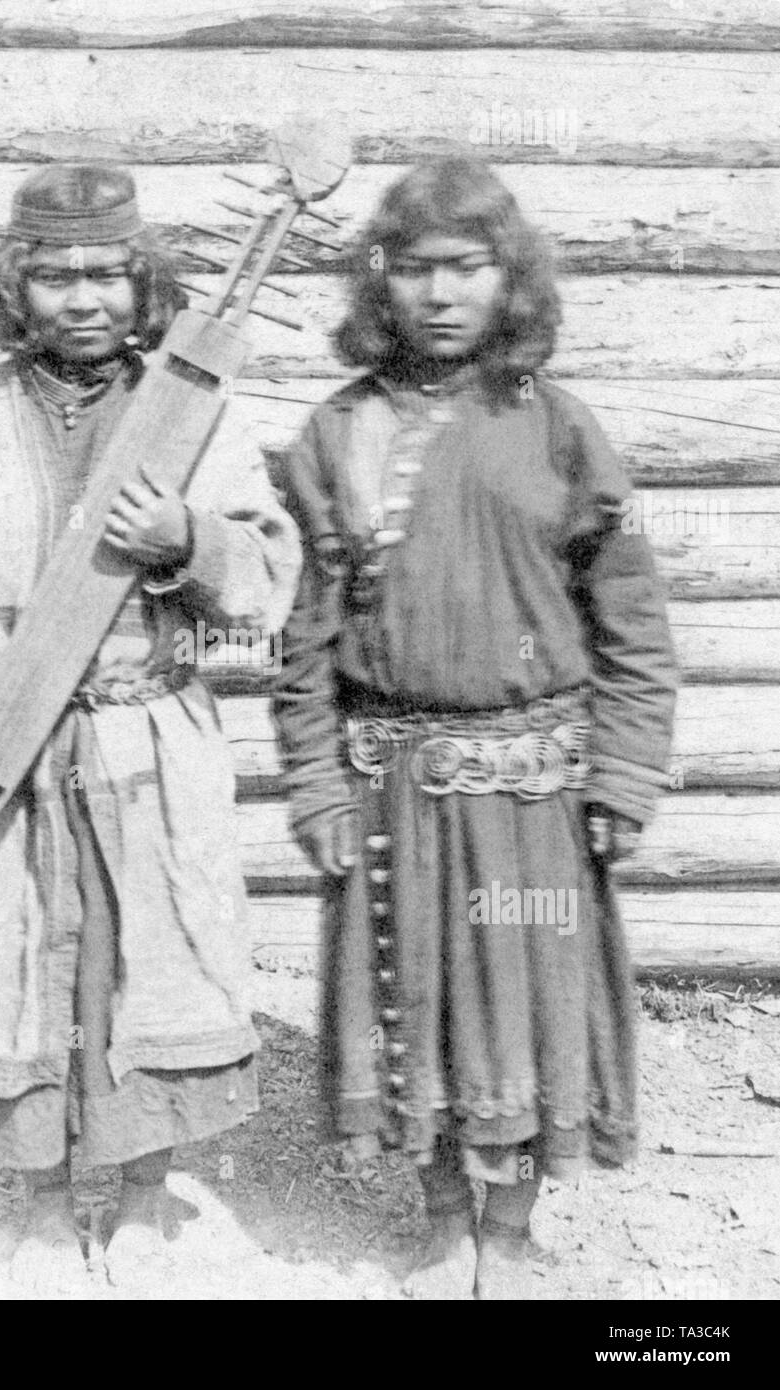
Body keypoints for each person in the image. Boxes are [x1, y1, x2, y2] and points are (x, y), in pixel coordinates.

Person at [0, 164, 300, 1290]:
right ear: (17, 287)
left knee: (144, 967)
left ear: (142, 280)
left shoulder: (196, 407)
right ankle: (47, 1206)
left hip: (147, 746)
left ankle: (145, 1199)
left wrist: (187, 538)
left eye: (106, 271)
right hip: (8, 746)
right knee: (17, 972)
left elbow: (266, 576)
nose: (84, 298)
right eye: (54, 275)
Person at [271, 150, 677, 1299]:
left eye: (467, 268)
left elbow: (632, 621)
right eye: (413, 270)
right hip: (388, 786)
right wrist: (310, 782)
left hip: (536, 795)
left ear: (511, 280)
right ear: (378, 282)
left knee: (523, 1003)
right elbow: (304, 639)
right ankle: (441, 1222)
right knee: (417, 1002)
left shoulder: (554, 428)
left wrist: (626, 775)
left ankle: (509, 1231)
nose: (440, 295)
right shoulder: (337, 434)